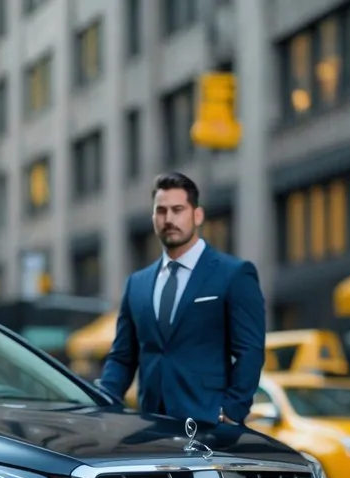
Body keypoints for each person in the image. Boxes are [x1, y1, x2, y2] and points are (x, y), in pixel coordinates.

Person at [99, 171, 266, 426]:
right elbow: (122, 357)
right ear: (153, 218)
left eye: (178, 210)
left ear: (197, 215)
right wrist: (102, 401)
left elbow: (250, 351)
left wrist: (232, 412)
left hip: (210, 423)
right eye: (161, 211)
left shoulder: (233, 274)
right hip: (152, 425)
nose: (169, 219)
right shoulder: (137, 284)